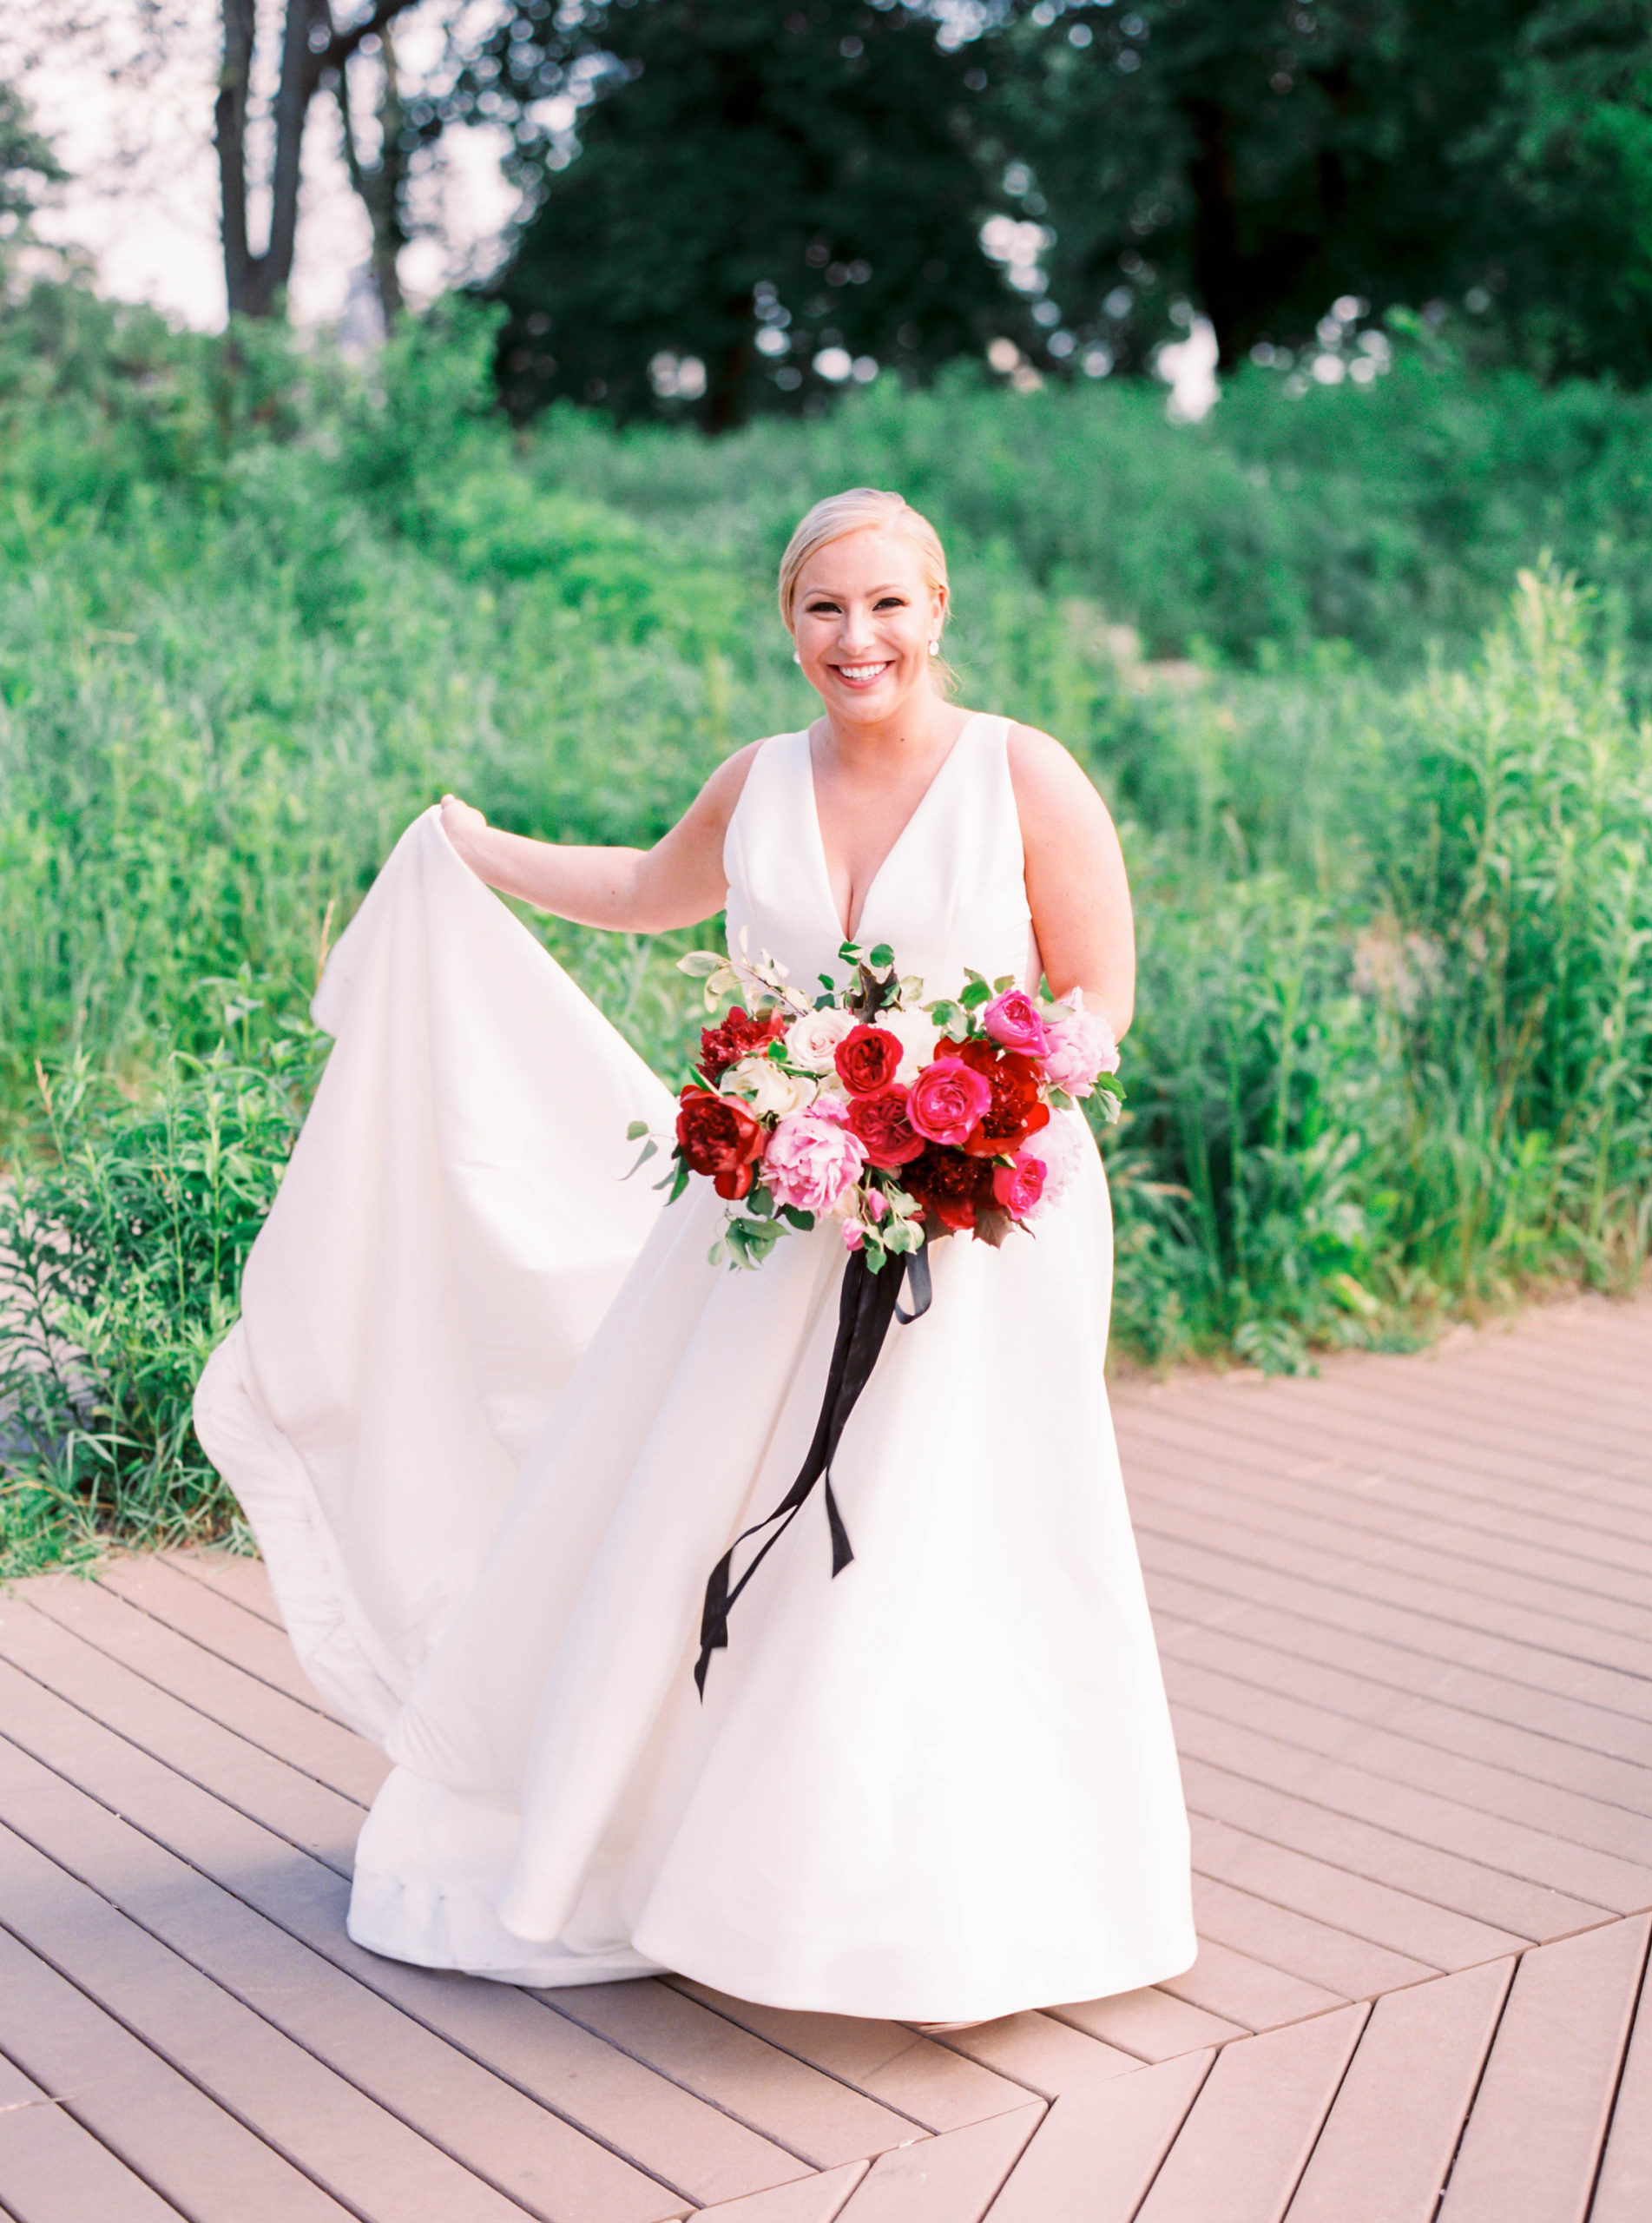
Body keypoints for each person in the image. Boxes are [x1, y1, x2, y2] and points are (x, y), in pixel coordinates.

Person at [194, 486, 1195, 2028]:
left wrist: (978, 1117)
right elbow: (648, 892)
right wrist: (477, 847)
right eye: (821, 610)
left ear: (938, 609)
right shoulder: (758, 781)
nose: (853, 640)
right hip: (778, 1211)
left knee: (932, 1524)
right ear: (786, 622)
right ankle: (692, 1849)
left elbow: (1098, 994)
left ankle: (923, 1898)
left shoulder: (1021, 773)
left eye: (884, 606)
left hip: (983, 1218)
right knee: (713, 1500)